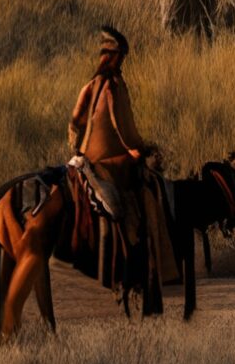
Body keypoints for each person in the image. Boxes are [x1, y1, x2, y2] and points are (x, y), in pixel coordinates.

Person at [67, 25, 174, 290]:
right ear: (116, 57)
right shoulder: (115, 86)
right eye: (121, 57)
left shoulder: (88, 86)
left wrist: (78, 151)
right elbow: (122, 127)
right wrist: (141, 149)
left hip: (87, 160)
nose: (122, 63)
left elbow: (73, 123)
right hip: (113, 164)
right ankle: (148, 264)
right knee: (148, 193)